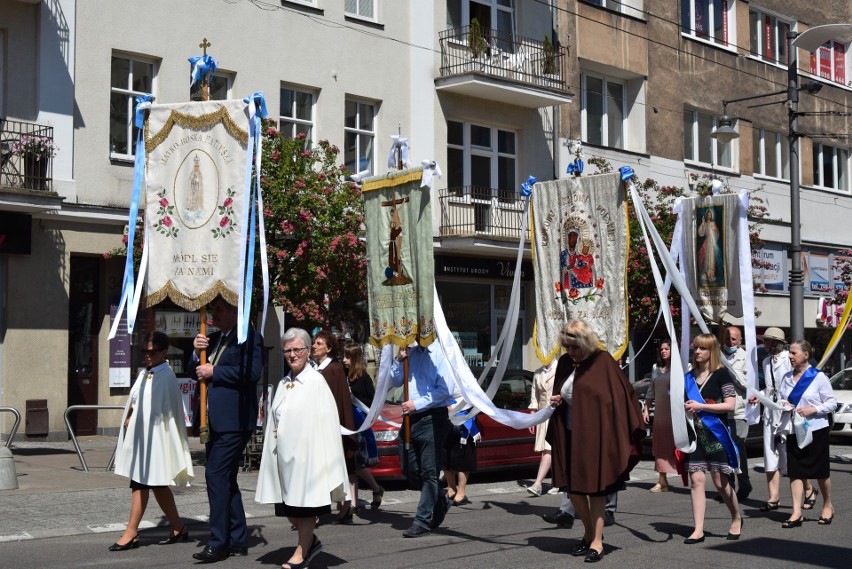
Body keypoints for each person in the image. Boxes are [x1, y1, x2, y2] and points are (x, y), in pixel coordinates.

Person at [547, 320, 644, 563]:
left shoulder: (603, 362)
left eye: (574, 347)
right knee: (573, 489)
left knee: (597, 489)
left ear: (585, 343)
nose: (570, 352)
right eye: (566, 347)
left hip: (597, 436)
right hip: (570, 434)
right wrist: (558, 398)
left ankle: (597, 542)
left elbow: (620, 397)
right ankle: (589, 533)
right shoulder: (566, 363)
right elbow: (563, 390)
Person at [256, 328, 350, 569]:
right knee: (288, 509)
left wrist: (327, 463)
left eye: (297, 349)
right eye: (287, 350)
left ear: (308, 351)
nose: (292, 354)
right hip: (284, 459)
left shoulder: (316, 381)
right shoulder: (284, 382)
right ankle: (310, 542)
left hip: (308, 459)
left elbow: (328, 423)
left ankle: (301, 552)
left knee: (306, 508)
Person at [191, 296, 264, 563]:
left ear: (235, 312)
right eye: (212, 310)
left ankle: (218, 542)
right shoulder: (213, 338)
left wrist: (215, 371)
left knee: (215, 475)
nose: (214, 314)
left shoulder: (249, 337)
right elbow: (195, 373)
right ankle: (237, 538)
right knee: (226, 479)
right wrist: (195, 352)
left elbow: (251, 373)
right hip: (213, 421)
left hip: (234, 421)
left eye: (219, 310)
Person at [111, 331, 194, 551]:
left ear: (163, 352)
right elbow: (139, 402)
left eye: (152, 352)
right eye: (144, 352)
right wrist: (130, 415)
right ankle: (178, 526)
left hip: (155, 441)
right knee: (155, 485)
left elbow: (165, 413)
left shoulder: (165, 376)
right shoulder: (145, 374)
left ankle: (131, 532)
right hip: (142, 440)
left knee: (142, 484)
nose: (147, 356)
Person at [682, 333, 742, 544]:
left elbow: (730, 405)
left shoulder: (721, 374)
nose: (697, 352)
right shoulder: (688, 377)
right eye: (696, 348)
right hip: (695, 435)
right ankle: (698, 529)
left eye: (702, 348)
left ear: (711, 352)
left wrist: (701, 406)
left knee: (719, 481)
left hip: (716, 433)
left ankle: (736, 516)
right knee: (696, 480)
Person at [391, 342, 454, 538]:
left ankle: (422, 520)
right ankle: (439, 500)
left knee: (429, 472)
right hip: (411, 418)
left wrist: (417, 404)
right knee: (407, 467)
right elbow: (395, 380)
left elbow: (446, 389)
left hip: (432, 417)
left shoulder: (441, 353)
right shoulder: (411, 352)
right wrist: (399, 359)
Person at [779, 340, 837, 528]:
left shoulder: (819, 377)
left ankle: (827, 504)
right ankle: (796, 512)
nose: (790, 356)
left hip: (816, 429)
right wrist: (783, 405)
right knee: (795, 471)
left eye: (794, 353)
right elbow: (781, 399)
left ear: (806, 355)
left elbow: (831, 403)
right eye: (790, 352)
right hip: (794, 429)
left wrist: (814, 409)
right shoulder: (786, 378)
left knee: (820, 471)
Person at [312, 330, 357, 524]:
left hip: (329, 428)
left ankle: (344, 504)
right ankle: (338, 505)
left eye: (319, 343)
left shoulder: (334, 369)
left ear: (328, 349)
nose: (314, 346)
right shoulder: (316, 369)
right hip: (317, 428)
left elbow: (337, 402)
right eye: (314, 342)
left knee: (333, 468)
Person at [751, 327, 792, 511]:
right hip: (770, 411)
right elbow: (768, 388)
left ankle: (808, 490)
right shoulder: (766, 362)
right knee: (769, 453)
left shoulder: (788, 360)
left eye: (767, 340)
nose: (764, 343)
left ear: (775, 342)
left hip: (786, 411)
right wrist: (758, 396)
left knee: (788, 454)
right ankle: (773, 496)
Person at [342, 342, 384, 511]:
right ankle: (354, 501)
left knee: (358, 464)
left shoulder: (364, 378)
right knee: (350, 464)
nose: (344, 360)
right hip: (346, 424)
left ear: (355, 359)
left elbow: (371, 402)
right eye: (343, 357)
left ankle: (376, 488)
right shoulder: (343, 375)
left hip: (359, 424)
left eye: (347, 357)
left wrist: (354, 397)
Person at [722, 326, 752, 501]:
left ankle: (744, 482)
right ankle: (729, 487)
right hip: (721, 409)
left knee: (738, 448)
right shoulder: (718, 356)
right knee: (725, 450)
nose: (730, 343)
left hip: (739, 410)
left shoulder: (746, 358)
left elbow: (749, 385)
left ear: (740, 340)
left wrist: (732, 373)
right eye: (727, 339)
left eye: (734, 339)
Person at [644, 340, 677, 493]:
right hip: (661, 413)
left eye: (667, 348)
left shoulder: (681, 367)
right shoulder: (656, 368)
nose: (664, 351)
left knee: (678, 445)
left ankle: (693, 478)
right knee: (660, 446)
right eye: (661, 349)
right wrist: (646, 409)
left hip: (676, 413)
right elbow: (651, 391)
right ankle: (662, 481)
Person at [526, 359, 557, 497]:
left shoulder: (561, 368)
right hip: (543, 415)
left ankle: (538, 484)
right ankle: (558, 482)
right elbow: (535, 396)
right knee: (550, 451)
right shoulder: (538, 372)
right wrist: (532, 417)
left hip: (556, 415)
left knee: (548, 450)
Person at [444, 409, 479, 506]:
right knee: (446, 458)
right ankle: (451, 489)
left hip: (465, 423)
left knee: (464, 459)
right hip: (446, 421)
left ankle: (461, 493)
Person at [697, 208, 721, 285]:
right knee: (705, 258)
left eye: (710, 215)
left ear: (711, 216)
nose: (709, 216)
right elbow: (701, 233)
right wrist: (703, 223)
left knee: (711, 259)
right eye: (708, 215)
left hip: (712, 242)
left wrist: (714, 231)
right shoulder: (705, 223)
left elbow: (717, 233)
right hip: (706, 242)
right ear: (706, 216)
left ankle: (711, 274)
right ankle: (706, 274)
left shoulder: (713, 223)